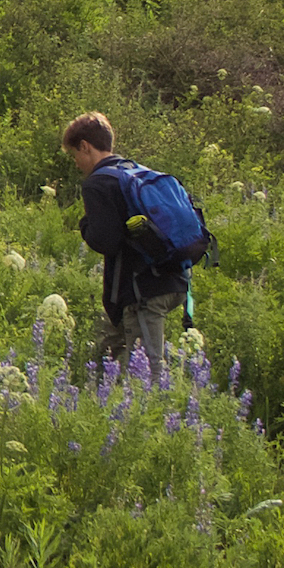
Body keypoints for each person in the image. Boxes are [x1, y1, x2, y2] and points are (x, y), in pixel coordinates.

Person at [62, 111, 192, 379]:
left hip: (142, 290)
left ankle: (153, 415)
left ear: (85, 146)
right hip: (175, 279)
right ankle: (96, 398)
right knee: (108, 349)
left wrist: (84, 226)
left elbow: (106, 241)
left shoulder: (99, 183)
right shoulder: (136, 171)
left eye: (74, 154)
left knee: (146, 373)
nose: (75, 163)